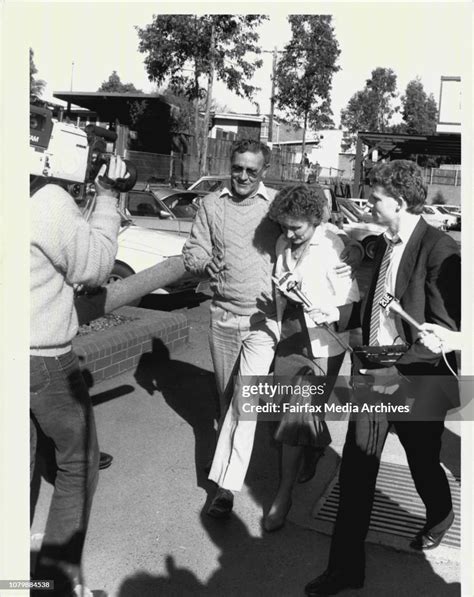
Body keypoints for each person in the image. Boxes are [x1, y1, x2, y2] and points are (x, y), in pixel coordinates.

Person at [182, 140, 362, 519]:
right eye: (237, 168)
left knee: (245, 404)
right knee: (233, 399)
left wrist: (356, 252)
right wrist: (204, 266)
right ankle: (313, 443)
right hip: (234, 319)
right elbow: (193, 252)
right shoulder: (216, 207)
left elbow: (343, 244)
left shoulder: (282, 212)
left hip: (278, 328)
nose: (243, 176)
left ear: (264, 171)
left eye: (252, 170)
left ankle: (230, 491)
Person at [304, 160, 460, 596]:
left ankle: (440, 512)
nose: (369, 203)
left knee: (424, 463)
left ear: (400, 202)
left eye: (375, 197)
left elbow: (440, 333)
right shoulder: (385, 243)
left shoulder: (440, 249)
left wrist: (397, 359)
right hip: (375, 374)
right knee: (357, 473)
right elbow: (374, 305)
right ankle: (345, 570)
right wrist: (335, 313)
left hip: (415, 379)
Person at [30, 156, 127, 597]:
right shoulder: (46, 200)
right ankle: (54, 585)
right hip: (42, 361)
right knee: (79, 464)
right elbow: (94, 267)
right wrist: (107, 197)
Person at [263, 184, 360, 532]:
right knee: (297, 415)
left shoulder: (334, 246)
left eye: (297, 228)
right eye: (285, 226)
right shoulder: (281, 243)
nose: (289, 234)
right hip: (288, 340)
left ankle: (282, 496)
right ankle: (315, 449)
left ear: (315, 219)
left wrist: (329, 310)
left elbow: (351, 299)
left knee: (295, 417)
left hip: (322, 344)